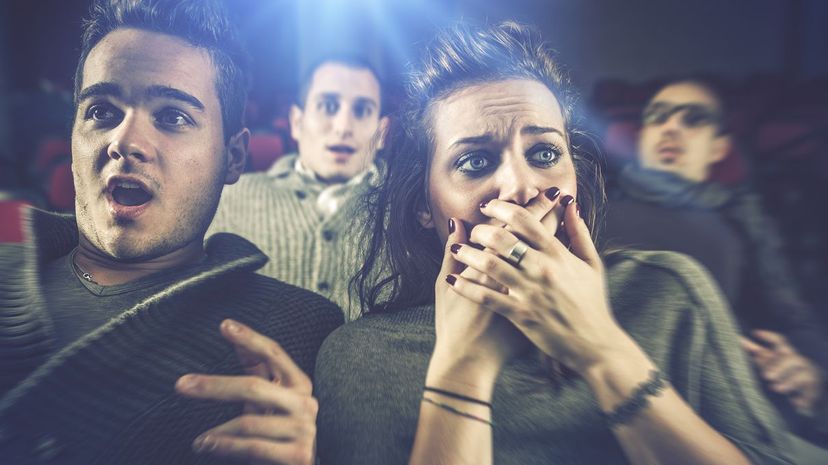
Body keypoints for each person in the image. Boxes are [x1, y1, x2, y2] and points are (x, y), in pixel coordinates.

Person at [313, 21, 794, 465]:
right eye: (475, 162)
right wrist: (463, 367)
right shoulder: (363, 357)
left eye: (544, 153)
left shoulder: (669, 294)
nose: (520, 186)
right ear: (424, 204)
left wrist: (602, 349)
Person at [0, 1, 341, 464]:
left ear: (234, 157)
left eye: (173, 116)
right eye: (101, 111)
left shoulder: (301, 332)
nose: (124, 142)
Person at [603, 79, 828, 441]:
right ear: (642, 136)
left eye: (693, 120)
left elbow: (792, 315)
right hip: (604, 390)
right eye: (658, 118)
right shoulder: (594, 207)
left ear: (719, 147)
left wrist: (812, 373)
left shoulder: (742, 218)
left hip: (717, 405)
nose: (671, 128)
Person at [208, 55, 389, 320]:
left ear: (382, 131)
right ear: (297, 122)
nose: (343, 128)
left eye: (362, 111)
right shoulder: (228, 198)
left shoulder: (412, 215)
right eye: (328, 106)